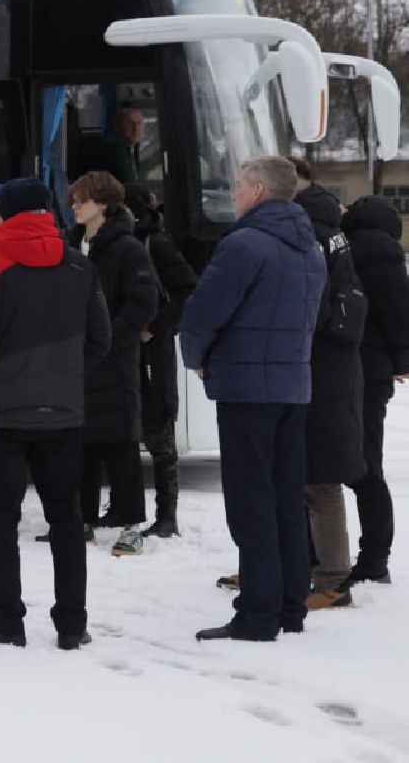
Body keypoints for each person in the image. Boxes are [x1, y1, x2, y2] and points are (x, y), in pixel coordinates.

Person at [0, 178, 111, 648]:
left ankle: (6, 622)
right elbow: (101, 340)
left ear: (4, 215)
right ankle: (72, 624)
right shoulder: (81, 266)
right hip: (63, 414)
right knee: (66, 518)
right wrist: (66, 379)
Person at [182, 157, 326, 642]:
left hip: (247, 390)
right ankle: (290, 605)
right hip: (293, 387)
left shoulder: (244, 245)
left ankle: (258, 613)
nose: (236, 194)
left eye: (240, 186)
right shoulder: (310, 247)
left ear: (259, 191)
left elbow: (203, 311)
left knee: (250, 502)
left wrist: (196, 356)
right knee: (286, 498)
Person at [66, 171, 159, 556]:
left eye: (81, 200)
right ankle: (82, 520)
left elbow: (143, 304)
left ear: (102, 203)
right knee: (79, 443)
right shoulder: (71, 245)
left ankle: (131, 525)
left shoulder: (128, 248)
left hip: (115, 362)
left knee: (121, 445)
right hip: (77, 361)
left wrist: (105, 339)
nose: (74, 206)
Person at [292, 176, 366, 609]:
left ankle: (334, 579)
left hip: (321, 374)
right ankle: (320, 570)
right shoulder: (331, 235)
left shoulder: (314, 240)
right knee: (315, 478)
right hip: (333, 373)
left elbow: (314, 309)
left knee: (320, 480)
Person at [340, 193, 409, 586]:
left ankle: (374, 558)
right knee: (367, 464)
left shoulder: (366, 246)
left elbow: (398, 309)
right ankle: (373, 556)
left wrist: (403, 360)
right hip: (373, 369)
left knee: (364, 465)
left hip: (363, 368)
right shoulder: (379, 245)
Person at [122, 185, 197, 539]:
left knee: (158, 432)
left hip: (153, 351)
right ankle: (125, 507)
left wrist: (155, 326)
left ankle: (168, 514)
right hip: (120, 351)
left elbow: (188, 290)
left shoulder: (156, 244)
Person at [88, 106, 144, 186]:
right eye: (130, 123)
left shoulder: (126, 148)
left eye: (139, 123)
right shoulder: (116, 148)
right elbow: (129, 184)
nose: (136, 128)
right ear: (119, 126)